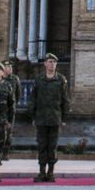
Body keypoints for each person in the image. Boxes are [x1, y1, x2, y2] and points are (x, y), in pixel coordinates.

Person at [29, 52, 70, 181]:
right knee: (42, 145)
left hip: (54, 118)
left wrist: (64, 118)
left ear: (56, 64)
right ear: (45, 64)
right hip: (41, 118)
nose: (51, 64)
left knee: (52, 146)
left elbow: (65, 100)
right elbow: (33, 99)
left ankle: (50, 172)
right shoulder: (39, 79)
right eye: (49, 61)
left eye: (54, 62)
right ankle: (41, 172)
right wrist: (33, 117)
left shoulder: (61, 80)